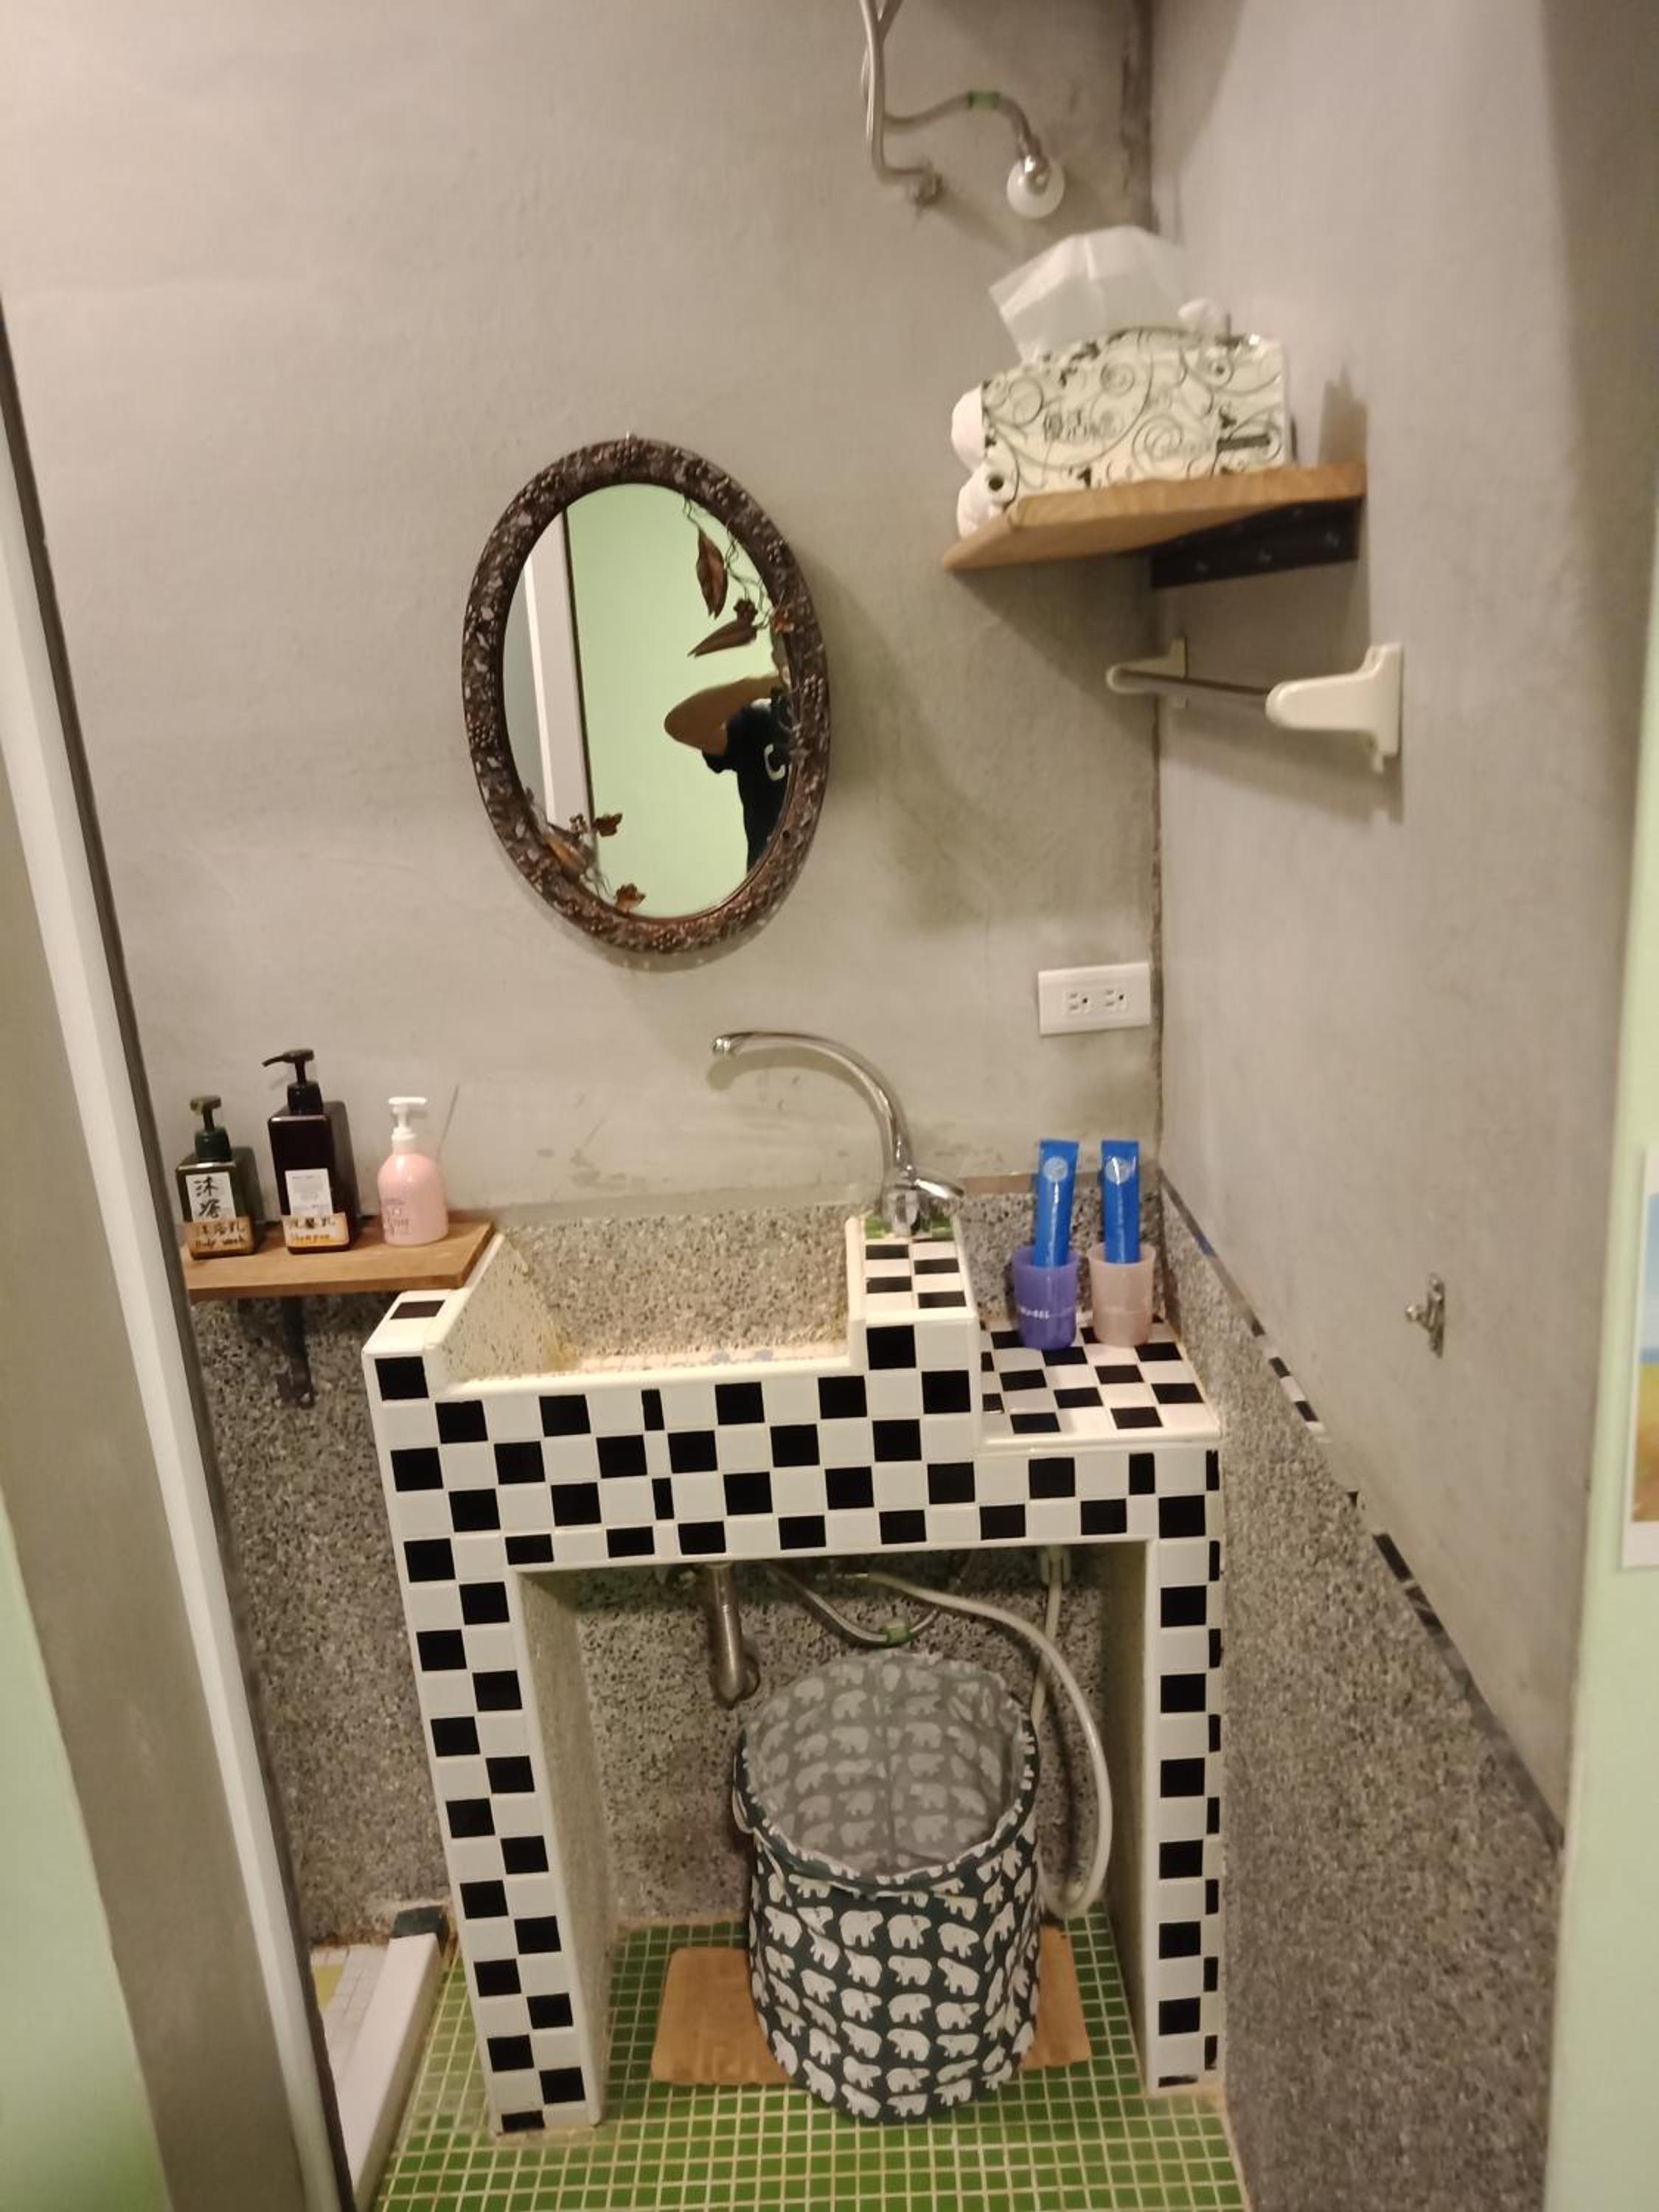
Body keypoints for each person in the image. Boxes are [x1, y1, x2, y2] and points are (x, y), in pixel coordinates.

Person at [663, 649, 793, 872]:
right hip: (778, 887)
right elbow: (680, 726)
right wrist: (755, 687)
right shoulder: (759, 723)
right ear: (777, 658)